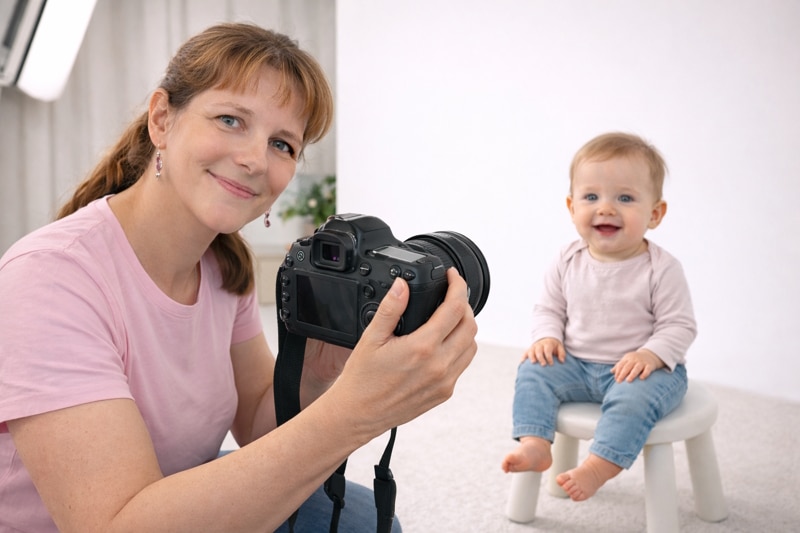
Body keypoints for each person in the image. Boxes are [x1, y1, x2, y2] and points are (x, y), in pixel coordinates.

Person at [0, 23, 478, 532]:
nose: (254, 159)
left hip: (172, 488)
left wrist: (319, 372)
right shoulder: (51, 279)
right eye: (230, 119)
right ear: (162, 119)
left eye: (282, 144)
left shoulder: (224, 265)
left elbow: (255, 421)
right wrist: (353, 412)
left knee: (359, 516)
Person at [501, 132, 696, 502]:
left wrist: (650, 355)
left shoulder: (661, 268)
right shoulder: (567, 259)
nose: (606, 208)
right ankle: (535, 442)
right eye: (591, 197)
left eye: (625, 198)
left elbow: (679, 325)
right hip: (575, 363)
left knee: (634, 401)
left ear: (655, 213)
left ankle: (598, 466)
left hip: (642, 372)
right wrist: (547, 337)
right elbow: (549, 308)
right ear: (572, 206)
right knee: (532, 370)